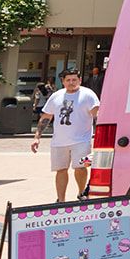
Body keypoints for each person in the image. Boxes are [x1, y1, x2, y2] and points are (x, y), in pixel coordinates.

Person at [31, 68, 100, 201]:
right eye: (68, 80)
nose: (71, 82)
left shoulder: (88, 95)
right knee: (61, 170)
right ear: (63, 82)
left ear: (80, 80)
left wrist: (99, 135)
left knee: (80, 167)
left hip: (82, 140)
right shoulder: (56, 96)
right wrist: (37, 137)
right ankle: (61, 200)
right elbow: (46, 117)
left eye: (74, 79)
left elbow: (97, 116)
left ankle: (81, 194)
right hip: (59, 141)